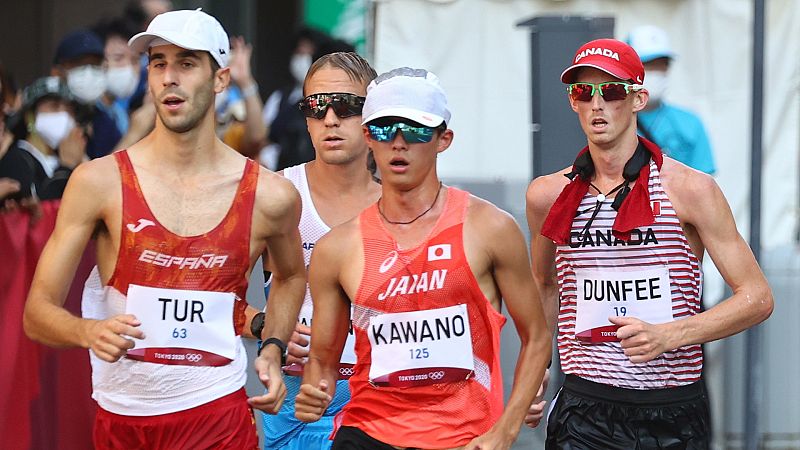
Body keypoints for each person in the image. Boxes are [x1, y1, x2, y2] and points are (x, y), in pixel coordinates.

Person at [23, 9, 306, 449]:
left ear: (221, 79)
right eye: (158, 63)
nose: (169, 77)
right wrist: (87, 331)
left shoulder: (270, 196)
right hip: (122, 417)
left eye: (186, 63)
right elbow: (37, 312)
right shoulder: (99, 182)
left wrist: (273, 347)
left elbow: (290, 276)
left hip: (217, 415)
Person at [525, 38, 773, 448]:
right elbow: (545, 284)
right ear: (572, 101)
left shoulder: (690, 190)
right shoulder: (547, 194)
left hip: (671, 410)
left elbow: (757, 297)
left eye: (612, 91)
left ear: (638, 99)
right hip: (585, 408)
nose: (597, 104)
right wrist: (535, 369)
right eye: (584, 92)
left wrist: (670, 335)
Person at [294, 67, 551, 450]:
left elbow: (538, 336)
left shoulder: (489, 228)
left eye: (415, 130)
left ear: (443, 139)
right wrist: (316, 389)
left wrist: (506, 430)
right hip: (366, 434)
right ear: (368, 137)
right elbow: (323, 361)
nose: (398, 143)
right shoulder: (337, 248)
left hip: (462, 438)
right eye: (385, 129)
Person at [261, 51, 381, 450]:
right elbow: (215, 296)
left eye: (345, 106)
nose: (330, 119)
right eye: (316, 107)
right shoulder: (276, 195)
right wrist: (267, 329)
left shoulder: (403, 203)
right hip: (295, 415)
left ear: (373, 114)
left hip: (381, 410)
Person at [627, 25, 716, 175]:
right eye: (646, 66)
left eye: (661, 65)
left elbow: (704, 181)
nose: (655, 72)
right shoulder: (611, 120)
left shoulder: (690, 123)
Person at [51, 29, 123, 159]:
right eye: (79, 64)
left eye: (95, 65)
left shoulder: (103, 120)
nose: (88, 73)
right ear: (57, 72)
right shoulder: (48, 119)